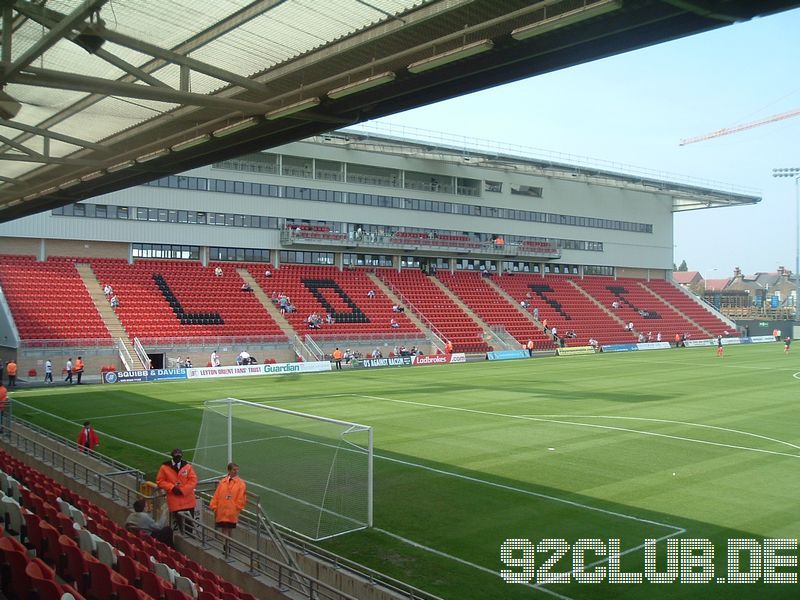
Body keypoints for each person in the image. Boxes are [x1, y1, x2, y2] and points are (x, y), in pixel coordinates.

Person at [156, 448, 198, 536]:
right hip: (175, 502)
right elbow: (160, 481)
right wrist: (172, 488)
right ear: (172, 457)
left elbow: (193, 481)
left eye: (179, 457)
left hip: (188, 501)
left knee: (190, 526)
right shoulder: (164, 467)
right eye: (176, 457)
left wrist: (183, 490)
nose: (178, 458)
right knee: (180, 526)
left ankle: (188, 539)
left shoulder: (187, 466)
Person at [209, 462, 247, 536]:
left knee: (228, 530)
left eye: (237, 470)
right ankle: (226, 546)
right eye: (234, 470)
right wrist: (214, 506)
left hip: (232, 512)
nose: (236, 471)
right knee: (225, 530)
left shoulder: (241, 484)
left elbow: (242, 498)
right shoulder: (222, 482)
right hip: (222, 511)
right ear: (229, 471)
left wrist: (236, 508)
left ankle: (227, 546)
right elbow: (216, 495)